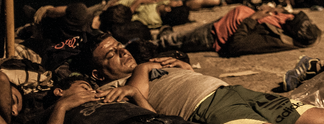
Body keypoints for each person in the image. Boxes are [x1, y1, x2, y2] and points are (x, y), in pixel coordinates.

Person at [81, 33, 324, 124]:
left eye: (119, 46)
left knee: (323, 118)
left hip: (232, 90)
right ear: (97, 73)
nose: (122, 52)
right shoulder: (112, 90)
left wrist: (182, 68)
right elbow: (146, 113)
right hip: (205, 107)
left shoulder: (153, 66)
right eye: (111, 55)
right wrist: (145, 68)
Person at [18, 74, 197, 124]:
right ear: (59, 91)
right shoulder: (53, 113)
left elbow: (151, 115)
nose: (93, 92)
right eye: (84, 87)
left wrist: (134, 93)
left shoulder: (107, 99)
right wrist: (62, 107)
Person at [154, 4, 321, 57]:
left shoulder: (276, 40)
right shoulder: (287, 23)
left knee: (170, 42)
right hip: (218, 24)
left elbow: (237, 45)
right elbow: (280, 15)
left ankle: (151, 45)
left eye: (292, 19)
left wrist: (253, 18)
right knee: (176, 36)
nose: (289, 16)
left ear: (293, 30)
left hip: (212, 36)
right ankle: (165, 36)